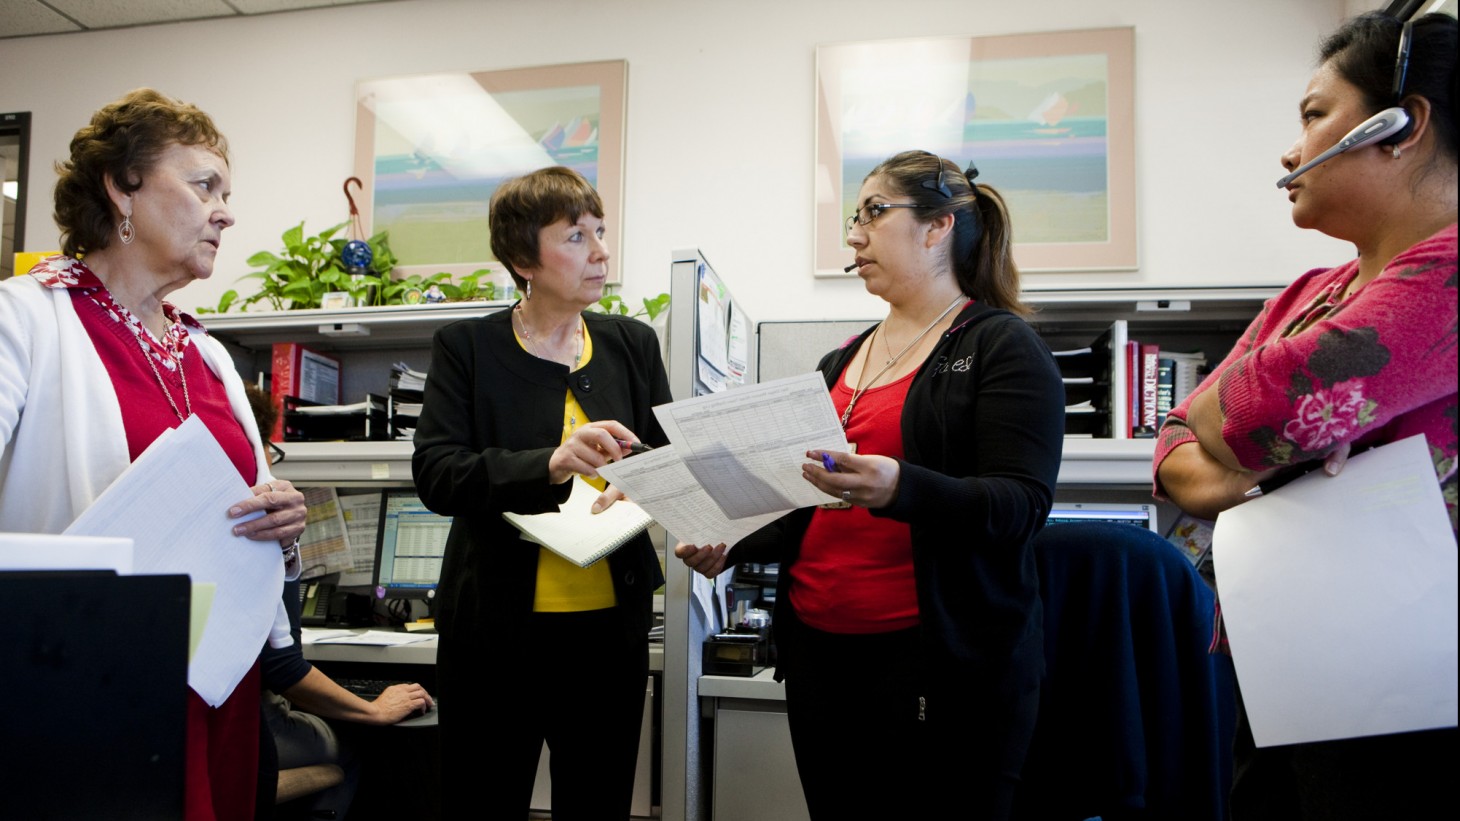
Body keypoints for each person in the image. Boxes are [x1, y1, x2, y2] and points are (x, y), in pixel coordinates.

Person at [676, 150, 1065, 818]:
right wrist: (732, 540)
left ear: (938, 226)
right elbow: (809, 503)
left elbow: (1020, 504)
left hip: (936, 665)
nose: (855, 235)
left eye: (874, 213)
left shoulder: (1000, 345)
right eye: (853, 218)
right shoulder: (841, 360)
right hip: (822, 656)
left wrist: (902, 487)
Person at [1153, 12, 1457, 819]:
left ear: (1403, 126)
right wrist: (1252, 432)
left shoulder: (1451, 272)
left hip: (1410, 688)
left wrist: (1248, 425)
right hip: (1293, 660)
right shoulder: (1309, 293)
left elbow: (1264, 408)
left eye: (1315, 115)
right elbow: (1176, 443)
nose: (1292, 152)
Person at [0, 88, 308, 820]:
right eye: (204, 185)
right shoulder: (25, 318)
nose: (226, 211)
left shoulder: (209, 352)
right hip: (82, 679)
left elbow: (254, 506)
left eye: (226, 193)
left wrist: (282, 529)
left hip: (217, 685)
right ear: (121, 186)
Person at [412, 166, 670, 819]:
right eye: (577, 235)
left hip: (608, 634)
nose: (601, 251)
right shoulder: (467, 347)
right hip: (494, 634)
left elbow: (668, 462)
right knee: (482, 801)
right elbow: (438, 472)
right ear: (524, 257)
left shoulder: (631, 344)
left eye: (601, 232)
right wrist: (549, 463)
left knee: (599, 803)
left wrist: (643, 486)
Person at [259, 579, 435, 818]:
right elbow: (283, 671)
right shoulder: (269, 553)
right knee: (355, 744)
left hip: (203, 724)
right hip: (247, 730)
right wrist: (375, 710)